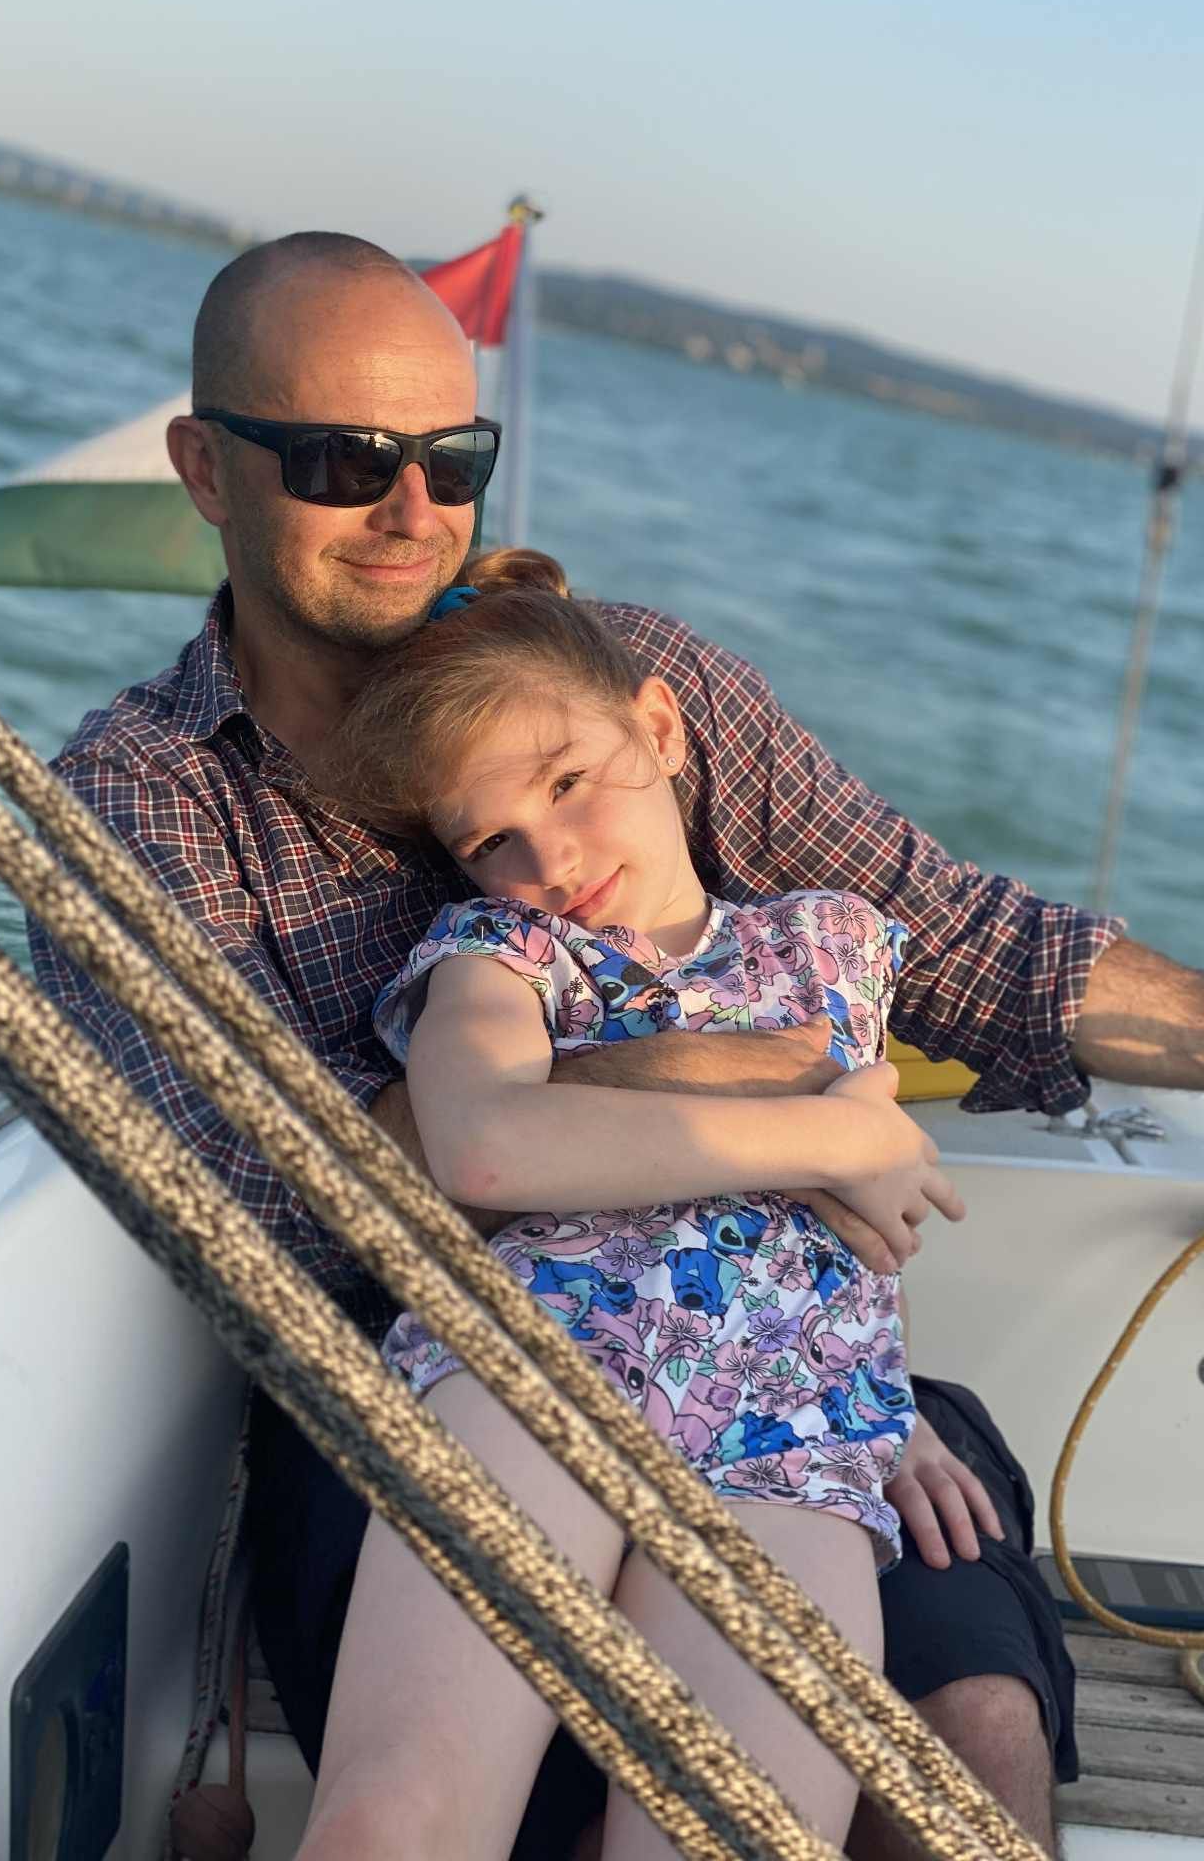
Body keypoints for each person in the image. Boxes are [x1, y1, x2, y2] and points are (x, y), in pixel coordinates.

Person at [31, 230, 1204, 1860]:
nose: (413, 510)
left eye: (449, 456)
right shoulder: (146, 796)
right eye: (347, 462)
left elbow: (967, 943)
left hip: (797, 1366)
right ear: (205, 466)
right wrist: (783, 1092)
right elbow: (304, 1198)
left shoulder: (629, 688)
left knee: (967, 1734)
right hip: (437, 1368)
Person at [296, 544, 962, 1856]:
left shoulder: (833, 942)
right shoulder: (501, 955)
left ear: (659, 728)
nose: (550, 855)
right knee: (397, 1823)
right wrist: (818, 1126)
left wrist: (901, 1406)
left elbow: (858, 1235)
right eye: (494, 838)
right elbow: (483, 1149)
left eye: (567, 783)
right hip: (538, 1371)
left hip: (791, 1423)